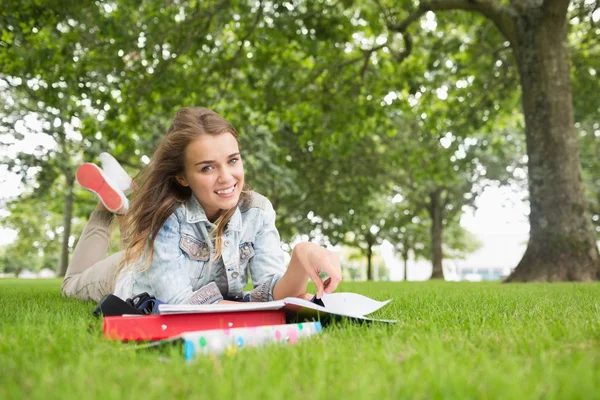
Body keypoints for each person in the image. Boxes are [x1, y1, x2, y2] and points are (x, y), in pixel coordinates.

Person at [61, 107, 342, 305]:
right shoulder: (170, 216)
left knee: (140, 238)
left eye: (233, 160)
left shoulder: (257, 210)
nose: (227, 177)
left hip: (147, 251)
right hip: (129, 277)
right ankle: (105, 208)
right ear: (182, 177)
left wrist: (301, 257)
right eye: (207, 167)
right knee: (71, 285)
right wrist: (257, 310)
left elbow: (272, 295)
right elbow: (180, 302)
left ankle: (122, 202)